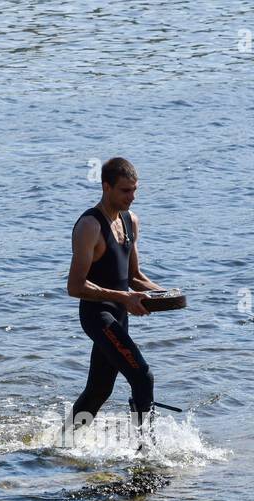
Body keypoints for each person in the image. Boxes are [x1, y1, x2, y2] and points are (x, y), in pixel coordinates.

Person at [66, 157, 165, 437]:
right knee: (142, 378)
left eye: (135, 190)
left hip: (120, 316)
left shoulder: (130, 221)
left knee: (98, 390)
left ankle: (65, 440)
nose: (131, 198)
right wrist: (124, 298)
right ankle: (147, 449)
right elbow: (74, 287)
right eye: (125, 191)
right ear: (106, 187)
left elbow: (134, 276)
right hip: (98, 316)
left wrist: (165, 295)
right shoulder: (90, 226)